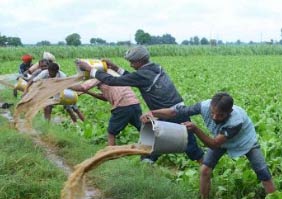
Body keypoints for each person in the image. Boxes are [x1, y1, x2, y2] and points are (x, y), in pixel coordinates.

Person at [75, 46, 204, 166]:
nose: (131, 64)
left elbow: (113, 81)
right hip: (173, 109)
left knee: (188, 144)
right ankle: (147, 166)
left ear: (141, 61)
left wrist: (91, 70)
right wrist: (115, 68)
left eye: (132, 62)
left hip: (170, 113)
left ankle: (206, 166)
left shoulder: (143, 74)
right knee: (153, 143)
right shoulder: (154, 68)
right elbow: (132, 77)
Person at [141, 92, 275, 199]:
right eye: (212, 113)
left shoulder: (236, 121)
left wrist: (196, 129)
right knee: (205, 169)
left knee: (262, 171)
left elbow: (214, 144)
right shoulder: (204, 106)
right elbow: (175, 112)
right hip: (219, 138)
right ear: (210, 106)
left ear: (230, 112)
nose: (215, 117)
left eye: (220, 115)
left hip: (245, 141)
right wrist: (153, 113)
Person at [71, 78, 142, 146]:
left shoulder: (99, 76)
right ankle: (149, 148)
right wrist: (88, 92)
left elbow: (82, 87)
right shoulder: (114, 74)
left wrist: (65, 85)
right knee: (142, 128)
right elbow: (105, 98)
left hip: (122, 105)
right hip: (135, 104)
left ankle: (111, 151)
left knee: (111, 132)